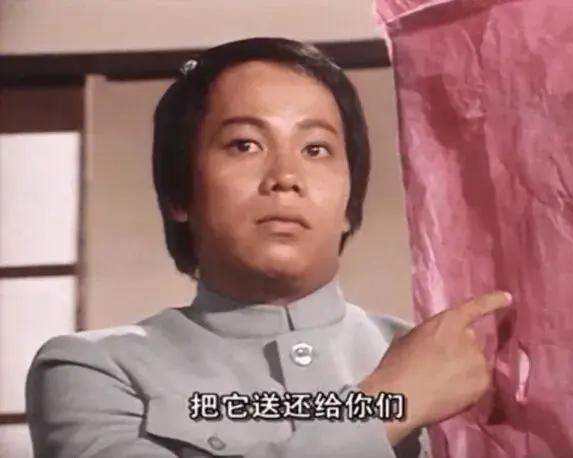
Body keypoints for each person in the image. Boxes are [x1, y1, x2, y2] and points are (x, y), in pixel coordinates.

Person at [26, 37, 512, 458]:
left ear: (349, 202)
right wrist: (391, 402)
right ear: (180, 194)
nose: (285, 177)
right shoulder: (93, 369)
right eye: (244, 145)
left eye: (316, 149)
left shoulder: (449, 357)